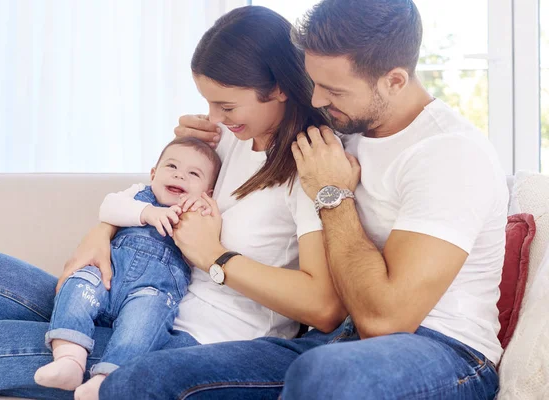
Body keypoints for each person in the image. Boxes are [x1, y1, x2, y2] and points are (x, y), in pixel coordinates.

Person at [95, 0, 508, 398]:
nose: (316, 100)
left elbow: (386, 320)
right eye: (314, 83)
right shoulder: (342, 130)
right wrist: (205, 139)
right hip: (331, 341)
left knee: (323, 376)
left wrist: (334, 196)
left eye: (333, 90)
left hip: (442, 351)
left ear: (394, 80)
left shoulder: (448, 153)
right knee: (137, 380)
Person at [0, 6, 346, 400]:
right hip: (141, 294)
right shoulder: (232, 138)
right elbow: (159, 191)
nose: (214, 117)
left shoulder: (309, 163)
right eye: (209, 103)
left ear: (278, 88)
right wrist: (102, 232)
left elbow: (322, 306)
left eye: (226, 106)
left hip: (196, 339)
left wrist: (215, 257)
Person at [33, 137, 220, 397]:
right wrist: (147, 213)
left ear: (208, 192)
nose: (180, 176)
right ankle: (69, 360)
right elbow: (108, 206)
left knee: (142, 327)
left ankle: (106, 381)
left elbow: (207, 249)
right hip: (108, 276)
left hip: (150, 292)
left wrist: (200, 211)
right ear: (153, 173)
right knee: (77, 284)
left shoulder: (199, 214)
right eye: (172, 167)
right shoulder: (137, 194)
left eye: (193, 174)